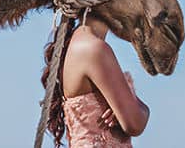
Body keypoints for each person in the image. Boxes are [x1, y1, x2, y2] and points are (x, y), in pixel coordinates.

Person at [42, 11, 151, 147]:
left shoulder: (75, 43)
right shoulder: (94, 49)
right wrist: (137, 105)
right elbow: (135, 123)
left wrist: (123, 104)